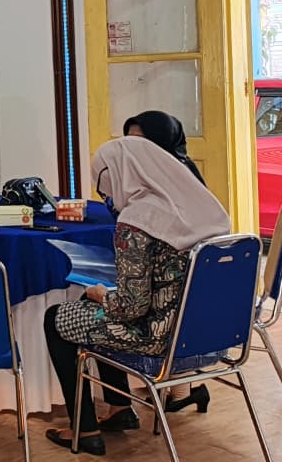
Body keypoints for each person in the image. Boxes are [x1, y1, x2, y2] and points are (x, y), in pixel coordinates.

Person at [42, 137, 230, 455]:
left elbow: (131, 308)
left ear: (118, 174)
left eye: (103, 185)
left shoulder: (137, 220)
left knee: (56, 318)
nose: (105, 195)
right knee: (92, 308)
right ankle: (120, 409)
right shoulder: (207, 210)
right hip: (210, 333)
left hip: (158, 338)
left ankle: (84, 429)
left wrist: (101, 295)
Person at [123, 110, 211, 412]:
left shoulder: (168, 190)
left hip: (173, 312)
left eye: (142, 143)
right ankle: (182, 387)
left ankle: (120, 406)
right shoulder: (186, 177)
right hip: (203, 315)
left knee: (119, 299)